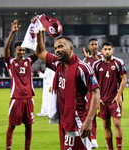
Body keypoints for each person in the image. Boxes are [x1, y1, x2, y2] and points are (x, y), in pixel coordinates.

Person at [32, 15, 100, 150]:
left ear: (70, 48)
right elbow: (40, 51)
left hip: (78, 121)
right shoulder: (58, 65)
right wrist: (40, 28)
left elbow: (96, 93)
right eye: (56, 48)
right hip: (64, 120)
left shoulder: (83, 68)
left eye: (61, 47)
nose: (57, 50)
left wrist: (89, 120)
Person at [4, 19, 38, 150]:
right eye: (20, 50)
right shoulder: (10, 62)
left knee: (29, 126)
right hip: (16, 100)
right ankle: (8, 148)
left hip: (29, 100)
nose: (22, 52)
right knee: (12, 126)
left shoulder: (29, 61)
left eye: (24, 50)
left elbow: (39, 50)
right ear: (14, 50)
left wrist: (39, 29)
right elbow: (6, 48)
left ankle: (27, 148)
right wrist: (12, 33)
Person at [92, 41, 127, 150]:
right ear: (101, 51)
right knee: (106, 125)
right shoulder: (96, 65)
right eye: (105, 49)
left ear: (112, 50)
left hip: (115, 100)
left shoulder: (118, 62)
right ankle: (110, 148)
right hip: (103, 101)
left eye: (109, 49)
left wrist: (118, 95)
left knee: (117, 123)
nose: (107, 51)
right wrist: (98, 98)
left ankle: (119, 148)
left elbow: (124, 79)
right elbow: (94, 82)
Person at [83, 38, 102, 148]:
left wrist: (94, 57)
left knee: (106, 118)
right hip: (91, 92)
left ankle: (108, 141)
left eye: (96, 44)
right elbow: (81, 70)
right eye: (92, 44)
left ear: (98, 46)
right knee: (91, 115)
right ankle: (93, 139)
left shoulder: (103, 57)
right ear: (89, 47)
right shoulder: (86, 59)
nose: (94, 46)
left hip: (103, 91)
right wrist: (86, 59)